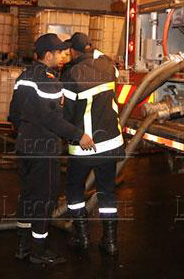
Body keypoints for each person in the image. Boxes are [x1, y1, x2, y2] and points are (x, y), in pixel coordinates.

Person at [8, 33, 95, 265]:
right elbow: (53, 120)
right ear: (48, 55)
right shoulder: (50, 82)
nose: (63, 55)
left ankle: (22, 246)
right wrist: (80, 136)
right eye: (59, 52)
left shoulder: (23, 77)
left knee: (27, 196)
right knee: (45, 200)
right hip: (43, 150)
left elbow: (13, 114)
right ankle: (39, 250)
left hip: (25, 147)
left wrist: (27, 132)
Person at [61, 32, 124, 255]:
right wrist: (94, 51)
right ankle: (110, 242)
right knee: (107, 193)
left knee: (74, 189)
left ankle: (82, 237)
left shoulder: (71, 74)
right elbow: (108, 60)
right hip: (110, 143)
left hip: (84, 145)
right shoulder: (108, 67)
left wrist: (69, 136)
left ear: (73, 51)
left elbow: (66, 114)